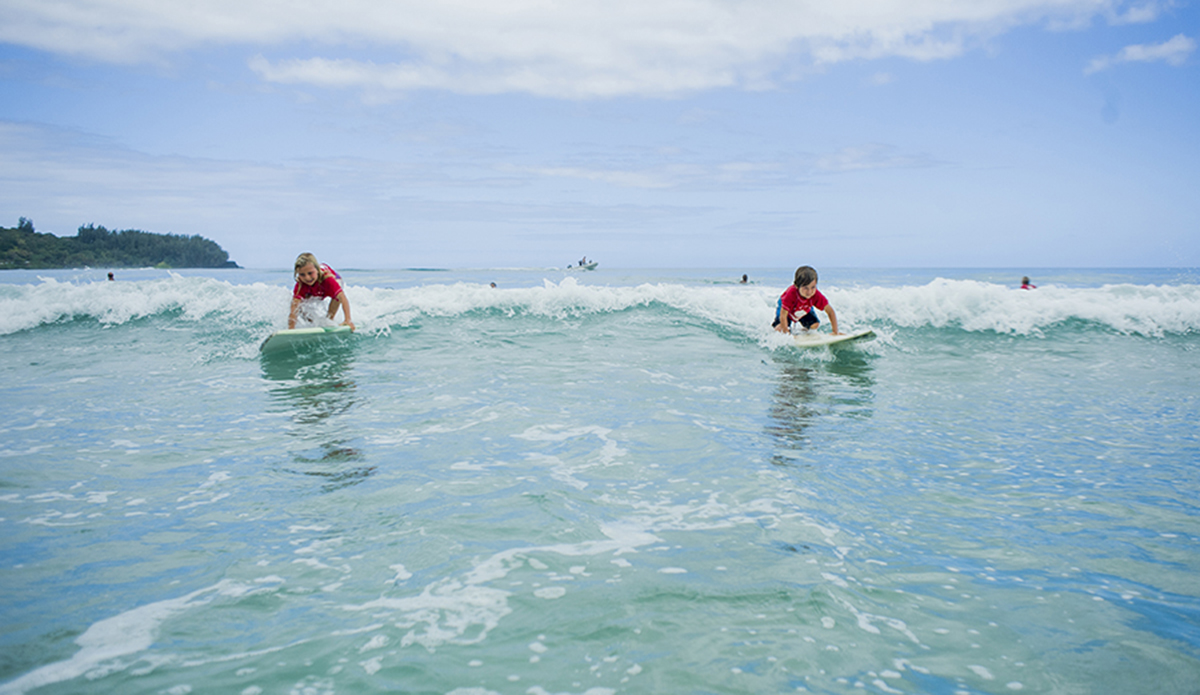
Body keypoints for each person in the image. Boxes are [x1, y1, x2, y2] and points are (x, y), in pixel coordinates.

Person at [289, 252, 354, 331]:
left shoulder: (328, 280)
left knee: (337, 298)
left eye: (310, 273)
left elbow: (343, 298)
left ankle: (330, 320)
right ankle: (312, 323)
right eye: (302, 274)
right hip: (315, 285)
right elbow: (293, 308)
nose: (307, 278)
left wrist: (348, 320)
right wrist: (291, 328)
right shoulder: (300, 284)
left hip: (332, 280)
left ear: (316, 269)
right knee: (300, 306)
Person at [773, 265, 839, 335]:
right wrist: (786, 334)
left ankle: (802, 332)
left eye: (813, 287)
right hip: (787, 310)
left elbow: (830, 311)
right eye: (805, 288)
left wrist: (835, 332)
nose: (809, 292)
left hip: (804, 309)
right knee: (779, 329)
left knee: (815, 325)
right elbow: (783, 315)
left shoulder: (816, 295)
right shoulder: (790, 294)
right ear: (797, 286)